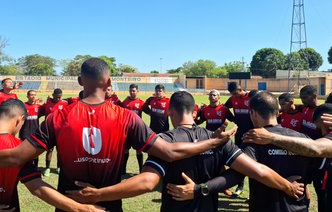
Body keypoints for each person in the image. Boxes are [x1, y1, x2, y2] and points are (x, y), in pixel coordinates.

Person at [0, 58, 237, 212]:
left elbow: (16, 157)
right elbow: (170, 153)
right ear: (109, 82)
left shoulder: (60, 116)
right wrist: (213, 140)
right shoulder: (126, 117)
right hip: (110, 207)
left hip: (69, 207)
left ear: (79, 82)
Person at [66, 91, 304, 212]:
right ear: (196, 110)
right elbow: (257, 171)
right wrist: (288, 186)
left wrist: (99, 194)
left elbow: (147, 183)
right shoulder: (218, 140)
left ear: (170, 112)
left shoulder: (165, 141)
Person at [174, 92, 320, 212]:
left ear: (252, 114)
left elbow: (236, 175)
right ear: (277, 112)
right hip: (298, 207)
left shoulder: (253, 140)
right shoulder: (303, 140)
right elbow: (311, 175)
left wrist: (200, 189)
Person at [243, 104, 332, 212]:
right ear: (277, 113)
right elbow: (308, 175)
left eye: (320, 127)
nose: (320, 131)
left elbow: (315, 148)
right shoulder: (302, 138)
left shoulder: (254, 139)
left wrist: (271, 138)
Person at [224, 82, 252, 195]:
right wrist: (233, 119)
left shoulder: (251, 97)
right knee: (239, 159)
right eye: (232, 94)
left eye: (236, 93)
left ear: (241, 89)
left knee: (252, 161)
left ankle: (253, 191)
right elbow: (224, 109)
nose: (234, 96)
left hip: (251, 133)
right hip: (239, 133)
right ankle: (240, 186)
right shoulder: (232, 99)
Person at [41, 88, 68, 176]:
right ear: (53, 95)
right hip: (50, 130)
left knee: (60, 151)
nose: (58, 99)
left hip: (61, 130)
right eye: (56, 97)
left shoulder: (64, 103)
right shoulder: (48, 103)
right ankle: (47, 168)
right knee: (50, 150)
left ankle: (58, 167)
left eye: (59, 97)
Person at [121, 84, 145, 174]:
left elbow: (149, 112)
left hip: (137, 130)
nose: (132, 92)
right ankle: (123, 170)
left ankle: (141, 170)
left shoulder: (141, 102)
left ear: (137, 91)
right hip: (127, 130)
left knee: (138, 150)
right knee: (125, 150)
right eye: (131, 91)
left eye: (134, 91)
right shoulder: (125, 102)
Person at [21, 90, 44, 168]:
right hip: (25, 133)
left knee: (35, 152)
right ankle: (25, 168)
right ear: (27, 96)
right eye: (31, 95)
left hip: (35, 133)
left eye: (35, 95)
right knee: (24, 152)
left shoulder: (38, 107)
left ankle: (35, 168)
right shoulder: (23, 106)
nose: (33, 96)